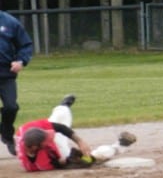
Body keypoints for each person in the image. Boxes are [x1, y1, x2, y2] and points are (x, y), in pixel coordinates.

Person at [15, 95, 137, 171]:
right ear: (35, 148)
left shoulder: (28, 129)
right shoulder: (38, 164)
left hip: (41, 143)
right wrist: (65, 161)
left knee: (57, 117)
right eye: (47, 140)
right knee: (90, 157)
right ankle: (120, 145)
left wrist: (80, 141)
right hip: (54, 154)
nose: (50, 136)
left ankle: (64, 105)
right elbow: (59, 163)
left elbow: (60, 128)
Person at [0, 10, 33, 156]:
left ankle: (7, 135)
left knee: (11, 107)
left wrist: (21, 61)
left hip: (5, 73)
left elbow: (25, 45)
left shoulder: (10, 22)